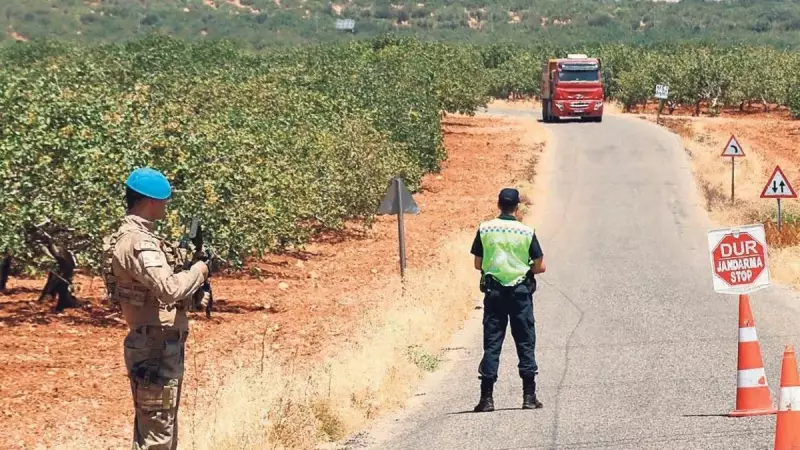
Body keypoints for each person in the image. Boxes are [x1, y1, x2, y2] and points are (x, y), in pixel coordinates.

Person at [101, 167, 209, 450]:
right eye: (163, 201)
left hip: (155, 344)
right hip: (155, 347)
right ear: (150, 201)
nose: (165, 206)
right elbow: (169, 289)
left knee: (158, 429)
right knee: (157, 437)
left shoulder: (133, 238)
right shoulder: (138, 242)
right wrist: (200, 270)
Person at [470, 187, 546, 412]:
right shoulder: (526, 232)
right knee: (525, 341)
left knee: (492, 344)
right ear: (517, 206)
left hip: (494, 294)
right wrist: (523, 269)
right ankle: (529, 397)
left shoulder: (485, 229)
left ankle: (486, 399)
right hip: (520, 293)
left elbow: (477, 263)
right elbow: (541, 265)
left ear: (498, 204)